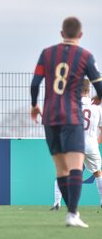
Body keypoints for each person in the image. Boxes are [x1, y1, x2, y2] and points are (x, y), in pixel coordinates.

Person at [30, 16, 102, 228]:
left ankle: (67, 208)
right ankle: (72, 213)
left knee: (61, 168)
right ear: (80, 35)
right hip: (71, 117)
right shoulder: (85, 56)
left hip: (50, 117)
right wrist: (99, 97)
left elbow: (35, 83)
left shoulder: (47, 54)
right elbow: (99, 85)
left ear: (62, 34)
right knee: (76, 166)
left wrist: (34, 105)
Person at [51, 80, 102, 210]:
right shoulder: (97, 108)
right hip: (91, 143)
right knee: (97, 173)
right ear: (88, 90)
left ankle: (57, 202)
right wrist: (95, 143)